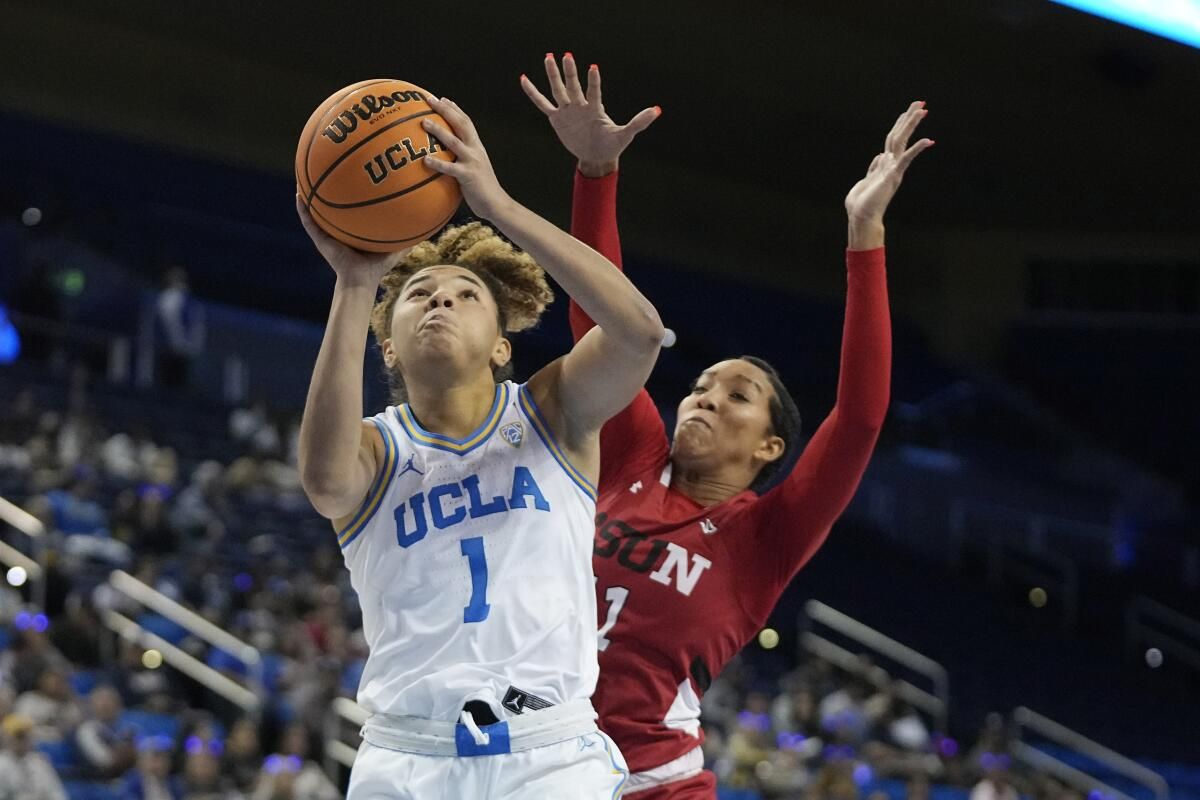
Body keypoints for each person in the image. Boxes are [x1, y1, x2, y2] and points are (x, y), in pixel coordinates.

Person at [523, 53, 932, 797]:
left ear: (771, 447)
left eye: (736, 396)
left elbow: (863, 416)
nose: (704, 398)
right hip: (533, 765)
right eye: (703, 387)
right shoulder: (630, 458)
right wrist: (594, 174)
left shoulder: (764, 539)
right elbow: (603, 326)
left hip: (651, 785)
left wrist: (864, 234)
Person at [296, 90, 665, 798]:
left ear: (502, 345)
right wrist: (354, 282)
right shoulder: (374, 452)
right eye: (418, 295)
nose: (439, 300)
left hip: (548, 755)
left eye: (465, 293)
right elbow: (324, 483)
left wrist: (494, 203)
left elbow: (640, 333)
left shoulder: (553, 412)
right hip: (407, 759)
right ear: (390, 349)